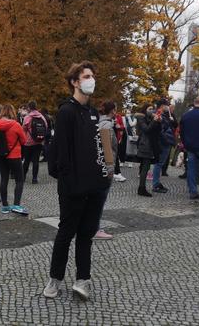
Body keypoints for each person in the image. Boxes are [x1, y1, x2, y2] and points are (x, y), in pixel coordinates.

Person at [45, 61, 112, 301]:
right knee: (66, 233)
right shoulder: (66, 112)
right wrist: (69, 183)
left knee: (87, 235)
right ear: (75, 81)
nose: (91, 80)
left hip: (95, 186)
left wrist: (105, 176)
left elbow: (100, 148)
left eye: (92, 75)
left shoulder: (93, 113)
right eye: (86, 76)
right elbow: (61, 153)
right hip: (73, 186)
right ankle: (55, 279)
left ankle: (83, 280)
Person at [0, 104, 27, 215]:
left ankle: (5, 206)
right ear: (12, 112)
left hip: (2, 156)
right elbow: (24, 141)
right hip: (14, 155)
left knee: (4, 179)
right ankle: (16, 205)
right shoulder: (16, 125)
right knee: (19, 180)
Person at [94, 101, 119, 240]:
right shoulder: (106, 125)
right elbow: (107, 149)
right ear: (113, 111)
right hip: (104, 167)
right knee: (99, 200)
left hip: (99, 165)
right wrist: (110, 169)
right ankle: (95, 229)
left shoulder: (99, 122)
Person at [135, 104, 161, 197]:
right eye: (150, 109)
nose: (152, 110)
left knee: (145, 167)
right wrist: (154, 121)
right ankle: (141, 188)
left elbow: (158, 131)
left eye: (153, 109)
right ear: (145, 110)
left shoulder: (150, 118)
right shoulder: (141, 118)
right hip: (145, 145)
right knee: (145, 168)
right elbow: (146, 130)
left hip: (151, 146)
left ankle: (141, 188)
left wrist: (159, 122)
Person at [152, 99, 177, 194]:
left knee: (159, 163)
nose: (168, 107)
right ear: (162, 106)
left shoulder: (163, 115)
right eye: (167, 105)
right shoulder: (159, 115)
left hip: (164, 141)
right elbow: (162, 130)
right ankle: (155, 184)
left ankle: (156, 183)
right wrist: (166, 140)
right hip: (163, 142)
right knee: (159, 164)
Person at [22, 101, 48, 184]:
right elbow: (46, 127)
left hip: (28, 142)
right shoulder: (41, 116)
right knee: (36, 161)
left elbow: (23, 129)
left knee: (26, 160)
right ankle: (34, 178)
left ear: (29, 108)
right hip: (39, 142)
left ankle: (23, 177)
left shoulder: (27, 117)